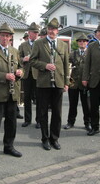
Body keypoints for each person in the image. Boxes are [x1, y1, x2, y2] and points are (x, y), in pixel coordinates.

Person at [0, 22, 23, 163]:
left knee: (11, 122)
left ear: (11, 38)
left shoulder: (15, 51)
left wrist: (20, 72)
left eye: (8, 36)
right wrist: (4, 76)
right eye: (3, 35)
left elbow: (20, 67)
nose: (5, 38)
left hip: (13, 92)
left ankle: (9, 146)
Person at [30, 18, 69, 151]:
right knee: (43, 112)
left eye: (55, 29)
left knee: (57, 113)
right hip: (43, 83)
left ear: (58, 30)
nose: (52, 31)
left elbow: (65, 65)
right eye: (50, 29)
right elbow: (32, 61)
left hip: (58, 82)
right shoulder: (39, 43)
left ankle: (55, 139)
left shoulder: (63, 45)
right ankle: (45, 139)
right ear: (47, 30)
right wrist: (45, 65)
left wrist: (66, 82)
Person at [64, 33, 91, 131]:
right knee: (72, 104)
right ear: (77, 43)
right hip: (74, 83)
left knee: (87, 105)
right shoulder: (72, 54)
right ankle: (70, 122)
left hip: (86, 83)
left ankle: (88, 123)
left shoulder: (90, 53)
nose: (82, 43)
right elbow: (67, 66)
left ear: (87, 42)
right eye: (80, 41)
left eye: (84, 41)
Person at [18, 22, 40, 128]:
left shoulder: (41, 44)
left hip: (38, 74)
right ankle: (27, 119)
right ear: (29, 33)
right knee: (27, 98)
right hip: (27, 74)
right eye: (33, 32)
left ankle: (39, 120)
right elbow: (18, 59)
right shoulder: (23, 45)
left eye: (37, 33)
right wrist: (23, 59)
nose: (35, 34)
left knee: (39, 99)